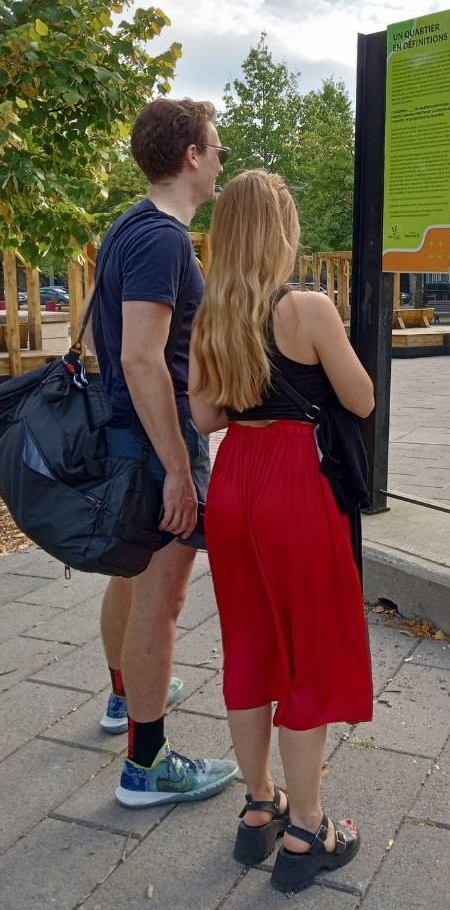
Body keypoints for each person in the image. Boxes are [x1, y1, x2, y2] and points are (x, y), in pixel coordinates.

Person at [188, 169, 374, 892]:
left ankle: (259, 809)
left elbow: (205, 418)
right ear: (282, 231)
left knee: (250, 644)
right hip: (298, 481)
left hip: (235, 481)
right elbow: (360, 397)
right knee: (308, 653)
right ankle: (308, 830)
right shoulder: (308, 309)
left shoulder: (212, 316)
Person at [96, 98, 240, 807]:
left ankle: (125, 700)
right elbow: (141, 359)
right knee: (161, 602)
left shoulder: (126, 225)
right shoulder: (163, 240)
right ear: (190, 155)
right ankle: (146, 767)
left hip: (128, 438)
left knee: (128, 578)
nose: (220, 161)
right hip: (160, 444)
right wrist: (180, 469)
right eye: (215, 148)